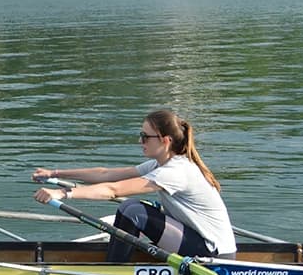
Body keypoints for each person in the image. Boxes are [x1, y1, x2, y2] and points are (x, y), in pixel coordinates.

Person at [31, 108, 235, 263]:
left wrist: (61, 193)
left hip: (214, 254)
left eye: (145, 136)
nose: (140, 141)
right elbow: (107, 174)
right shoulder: (159, 164)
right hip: (196, 240)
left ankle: (114, 270)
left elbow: (113, 190)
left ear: (165, 140)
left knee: (133, 211)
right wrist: (54, 173)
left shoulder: (175, 171)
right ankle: (118, 262)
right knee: (131, 207)